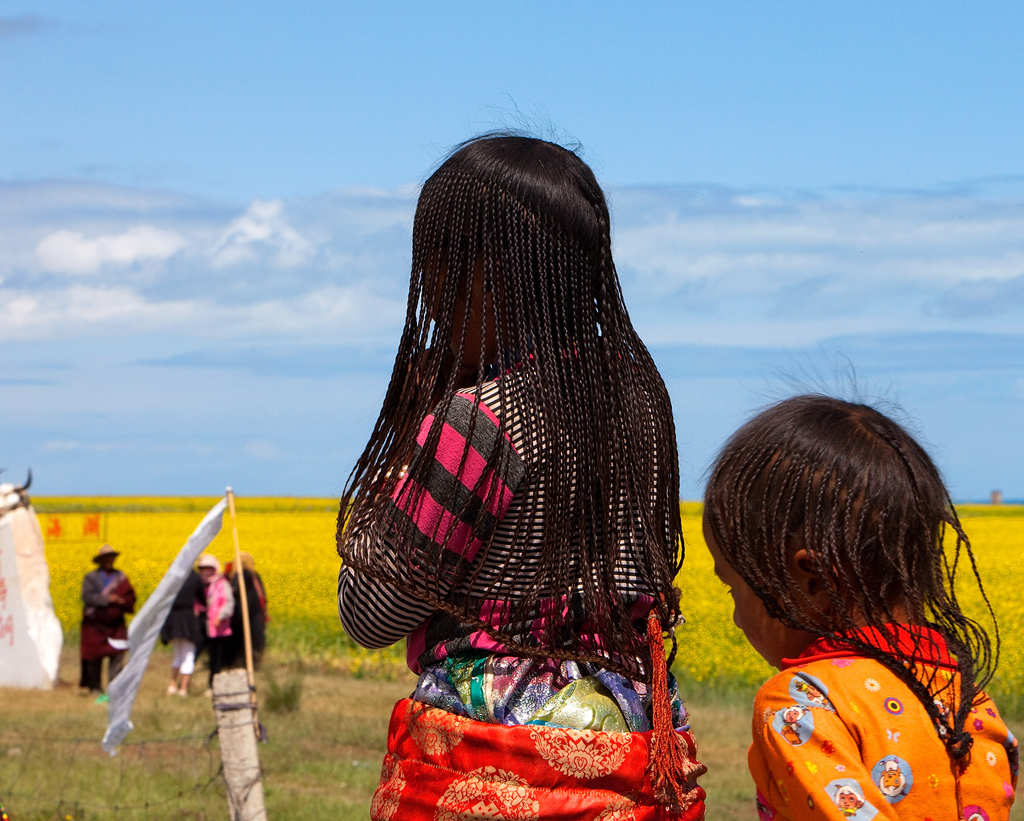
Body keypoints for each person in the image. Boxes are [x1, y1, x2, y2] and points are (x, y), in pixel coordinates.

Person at [337, 135, 705, 819]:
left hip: (496, 752)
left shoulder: (480, 417)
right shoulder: (640, 405)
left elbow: (370, 610)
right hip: (630, 738)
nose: (434, 305)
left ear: (488, 278)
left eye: (439, 274)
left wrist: (410, 435)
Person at [702, 395, 1018, 820]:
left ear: (810, 578)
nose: (737, 618)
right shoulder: (971, 704)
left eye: (733, 588)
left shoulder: (802, 703)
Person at [80, 544, 135, 698]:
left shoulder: (121, 577)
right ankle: (96, 688)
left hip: (116, 624)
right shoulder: (91, 578)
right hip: (95, 624)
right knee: (94, 657)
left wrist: (122, 601)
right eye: (106, 558)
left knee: (117, 655)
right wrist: (108, 599)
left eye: (111, 558)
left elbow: (130, 596)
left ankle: (114, 688)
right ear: (100, 560)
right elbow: (87, 597)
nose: (109, 561)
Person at [159, 566, 205, 696]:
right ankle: (183, 688)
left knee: (177, 655)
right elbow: (202, 598)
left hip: (171, 620)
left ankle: (172, 685)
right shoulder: (195, 577)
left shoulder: (171, 576)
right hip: (188, 620)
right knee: (188, 655)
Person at [196, 553, 233, 691]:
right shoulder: (199, 584)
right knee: (194, 654)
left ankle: (213, 686)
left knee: (215, 659)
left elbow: (228, 603)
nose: (205, 571)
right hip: (202, 626)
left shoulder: (222, 584)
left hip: (218, 628)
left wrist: (220, 616)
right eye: (202, 568)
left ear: (214, 569)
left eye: (208, 568)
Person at [227, 551, 268, 668]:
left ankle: (246, 663)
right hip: (251, 615)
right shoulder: (252, 575)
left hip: (247, 615)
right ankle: (248, 663)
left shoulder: (244, 575)